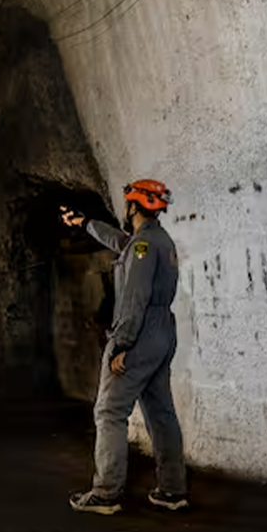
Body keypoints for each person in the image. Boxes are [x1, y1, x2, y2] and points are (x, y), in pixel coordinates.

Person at [60, 178, 189, 513]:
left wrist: (122, 345)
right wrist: (84, 223)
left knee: (109, 411)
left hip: (141, 331)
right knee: (161, 413)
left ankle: (106, 493)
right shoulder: (158, 240)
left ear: (133, 206)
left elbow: (134, 298)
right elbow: (121, 243)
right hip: (163, 331)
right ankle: (172, 490)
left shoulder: (143, 245)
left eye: (128, 203)